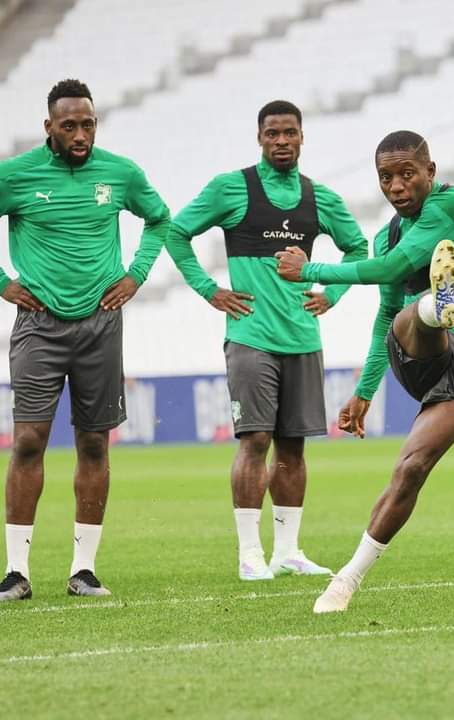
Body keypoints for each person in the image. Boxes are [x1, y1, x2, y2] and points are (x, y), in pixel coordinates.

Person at [276, 130, 454, 613]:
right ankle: (432, 310)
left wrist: (311, 270)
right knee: (404, 315)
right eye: (386, 177)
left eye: (407, 174)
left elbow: (393, 266)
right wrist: (363, 392)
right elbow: (383, 316)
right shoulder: (387, 234)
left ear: (431, 172)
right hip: (416, 354)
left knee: (411, 468)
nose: (396, 186)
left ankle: (345, 581)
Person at [165, 100, 367, 581]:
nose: (281, 141)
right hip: (250, 337)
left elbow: (359, 247)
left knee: (293, 448)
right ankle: (250, 553)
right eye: (273, 133)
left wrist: (332, 293)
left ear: (302, 138)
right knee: (255, 440)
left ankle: (288, 551)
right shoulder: (231, 188)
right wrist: (209, 289)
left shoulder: (319, 199)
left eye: (290, 133)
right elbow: (176, 232)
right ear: (259, 137)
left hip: (302, 338)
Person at [0, 79, 170, 601]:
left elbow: (160, 219)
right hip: (39, 326)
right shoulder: (16, 175)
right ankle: (16, 572)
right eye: (69, 125)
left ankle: (83, 569)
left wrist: (135, 275)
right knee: (28, 440)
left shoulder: (120, 173)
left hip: (100, 324)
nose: (80, 134)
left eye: (88, 124)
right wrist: (3, 284)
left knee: (94, 442)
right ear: (48, 127)